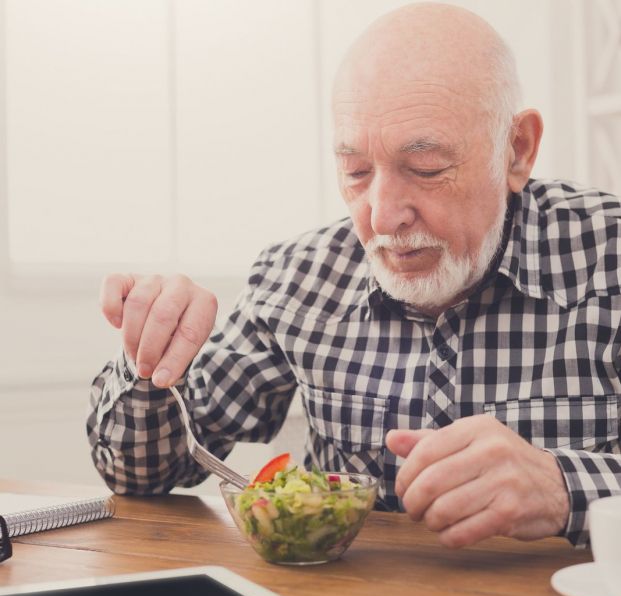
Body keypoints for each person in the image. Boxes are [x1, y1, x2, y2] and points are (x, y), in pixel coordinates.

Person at [87, 2, 621, 549]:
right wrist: (150, 356)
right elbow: (141, 476)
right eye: (356, 172)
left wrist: (564, 489)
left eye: (427, 169)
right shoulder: (299, 278)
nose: (382, 217)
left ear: (517, 150)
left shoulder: (610, 257)